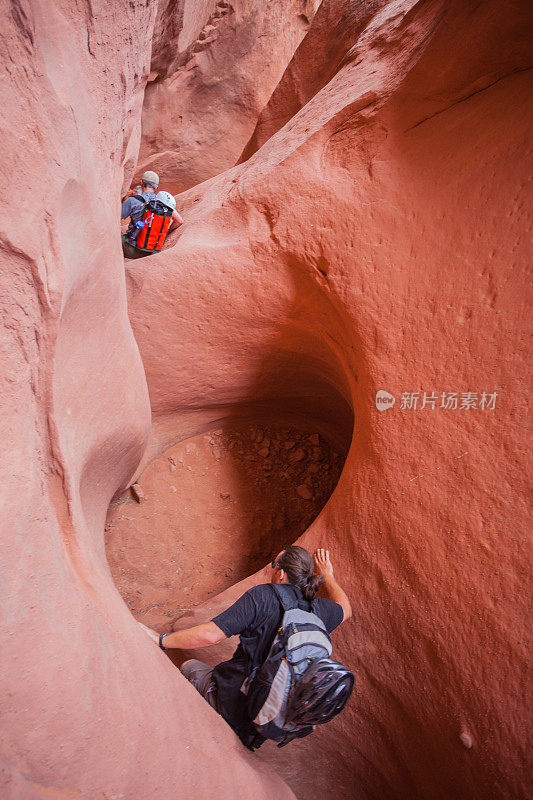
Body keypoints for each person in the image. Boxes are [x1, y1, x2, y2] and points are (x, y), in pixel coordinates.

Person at [140, 546, 351, 750]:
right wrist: (328, 575)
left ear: (281, 574)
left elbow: (211, 635)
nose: (272, 568)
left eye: (274, 564)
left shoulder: (264, 596)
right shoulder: (319, 610)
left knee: (189, 667)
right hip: (264, 718)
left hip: (232, 702)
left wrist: (161, 640)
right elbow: (345, 609)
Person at [121, 170, 183, 259]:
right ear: (156, 187)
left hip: (132, 249)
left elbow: (114, 219)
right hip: (153, 250)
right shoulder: (162, 202)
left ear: (141, 182)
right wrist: (167, 231)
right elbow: (179, 221)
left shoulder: (132, 200)